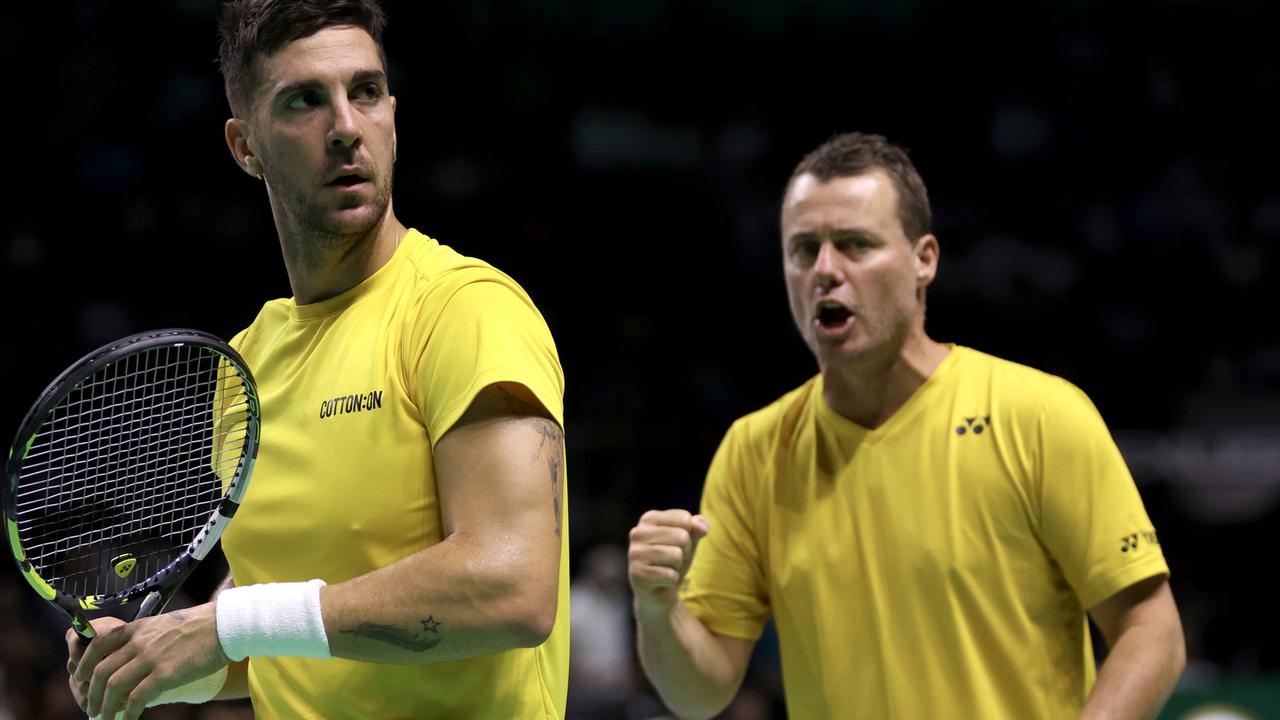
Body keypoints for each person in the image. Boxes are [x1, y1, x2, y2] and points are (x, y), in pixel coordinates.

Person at [66, 1, 569, 718]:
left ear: (392, 111)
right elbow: (299, 633)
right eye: (305, 100)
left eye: (365, 92)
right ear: (245, 146)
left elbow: (513, 587)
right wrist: (163, 658)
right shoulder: (246, 364)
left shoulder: (465, 311)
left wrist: (224, 626)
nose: (345, 128)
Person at [627, 132, 1185, 718]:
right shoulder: (754, 451)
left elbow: (1153, 632)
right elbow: (700, 693)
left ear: (925, 260)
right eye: (802, 249)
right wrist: (659, 609)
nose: (824, 270)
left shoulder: (1038, 416)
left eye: (855, 245)